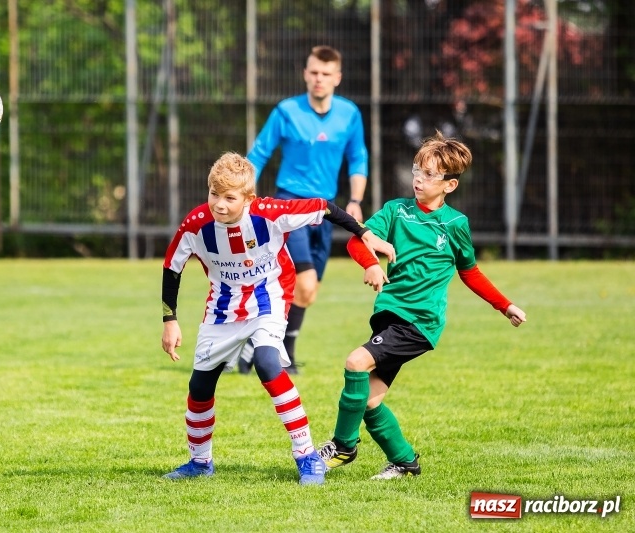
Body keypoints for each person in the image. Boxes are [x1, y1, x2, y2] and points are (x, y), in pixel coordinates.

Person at [160, 152, 393, 485]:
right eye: (214, 194)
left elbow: (325, 206)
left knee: (267, 364)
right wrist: (170, 319)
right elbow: (171, 267)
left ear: (248, 198)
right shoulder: (196, 224)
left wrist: (364, 234)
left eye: (229, 198)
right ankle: (200, 462)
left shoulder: (270, 213)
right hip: (222, 309)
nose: (220, 204)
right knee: (199, 385)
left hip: (268, 301)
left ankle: (307, 456)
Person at [317, 131, 527, 479]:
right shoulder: (396, 211)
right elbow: (359, 241)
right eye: (418, 169)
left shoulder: (456, 225)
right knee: (368, 401)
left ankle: (342, 446)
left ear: (450, 185)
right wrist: (371, 263)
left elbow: (470, 272)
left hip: (419, 322)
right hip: (389, 317)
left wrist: (504, 305)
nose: (419, 178)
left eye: (430, 174)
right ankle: (404, 462)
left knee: (355, 363)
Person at [242, 44, 368, 374]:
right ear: (305, 74)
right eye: (313, 72)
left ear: (337, 77)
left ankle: (255, 346)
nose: (318, 79)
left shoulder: (349, 114)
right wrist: (241, 196)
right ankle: (282, 354)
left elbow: (358, 158)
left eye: (326, 74)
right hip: (289, 206)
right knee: (305, 279)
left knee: (306, 292)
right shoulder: (286, 111)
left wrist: (355, 201)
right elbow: (258, 155)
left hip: (325, 211)